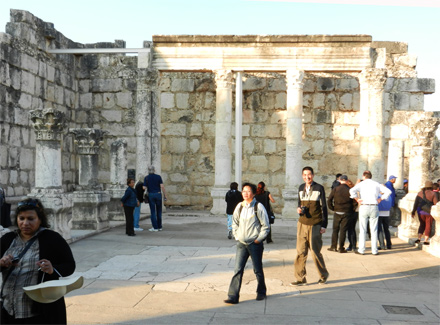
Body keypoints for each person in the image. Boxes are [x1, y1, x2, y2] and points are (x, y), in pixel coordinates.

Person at [1, 198, 76, 324]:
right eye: (21, 218)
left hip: (40, 311)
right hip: (9, 308)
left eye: (31, 219)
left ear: (40, 219)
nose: (25, 223)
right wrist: (1, 263)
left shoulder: (53, 239)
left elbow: (70, 265)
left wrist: (52, 269)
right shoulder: (7, 239)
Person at [224, 183, 270, 304]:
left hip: (254, 243)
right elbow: (234, 223)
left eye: (248, 191)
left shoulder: (258, 207)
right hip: (241, 243)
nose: (245, 193)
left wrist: (258, 239)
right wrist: (237, 236)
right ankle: (233, 296)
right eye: (244, 191)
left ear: (253, 193)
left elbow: (266, 226)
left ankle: (261, 292)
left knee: (257, 269)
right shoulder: (239, 206)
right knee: (237, 270)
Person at [290, 166, 329, 286]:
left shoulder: (319, 188)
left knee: (315, 252)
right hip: (302, 223)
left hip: (315, 224)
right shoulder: (301, 187)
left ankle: (323, 275)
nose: (307, 177)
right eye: (305, 175)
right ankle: (300, 278)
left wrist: (324, 224)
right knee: (300, 251)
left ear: (313, 175)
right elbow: (299, 203)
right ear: (302, 176)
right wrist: (298, 209)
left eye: (309, 174)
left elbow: (324, 207)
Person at [349, 171, 391, 255]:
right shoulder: (376, 184)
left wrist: (357, 199)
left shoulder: (361, 184)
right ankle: (374, 250)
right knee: (374, 229)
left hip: (364, 206)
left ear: (364, 176)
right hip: (374, 206)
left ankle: (362, 249)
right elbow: (388, 192)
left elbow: (351, 190)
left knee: (363, 229)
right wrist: (380, 199)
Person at [327, 175, 355, 253]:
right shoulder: (350, 190)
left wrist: (332, 208)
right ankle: (341, 247)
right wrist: (351, 210)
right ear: (346, 180)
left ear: (339, 180)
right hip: (346, 212)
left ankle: (333, 246)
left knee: (335, 230)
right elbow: (355, 202)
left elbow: (329, 200)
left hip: (337, 211)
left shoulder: (335, 189)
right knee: (343, 230)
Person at [411, 181, 438, 245]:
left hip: (420, 211)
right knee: (428, 225)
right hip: (429, 212)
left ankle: (419, 238)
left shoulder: (420, 193)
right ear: (431, 186)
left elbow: (416, 203)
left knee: (422, 224)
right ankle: (426, 240)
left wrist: (413, 212)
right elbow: (436, 204)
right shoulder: (433, 193)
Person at [143, 166, 168, 232]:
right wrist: (165, 195)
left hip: (151, 194)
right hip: (158, 194)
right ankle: (159, 226)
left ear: (148, 170)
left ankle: (155, 227)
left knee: (153, 212)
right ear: (154, 170)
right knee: (159, 211)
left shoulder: (146, 178)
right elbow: (162, 187)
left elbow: (144, 187)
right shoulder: (158, 177)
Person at [377, 176, 397, 250]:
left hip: (379, 213)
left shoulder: (378, 196)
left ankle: (382, 245)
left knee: (380, 230)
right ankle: (389, 244)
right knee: (386, 229)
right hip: (387, 213)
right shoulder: (389, 196)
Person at [345, 179, 358, 252]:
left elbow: (354, 203)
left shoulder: (351, 192)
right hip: (355, 212)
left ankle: (352, 245)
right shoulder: (354, 191)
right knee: (352, 229)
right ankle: (353, 245)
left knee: (350, 229)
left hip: (351, 212)